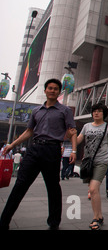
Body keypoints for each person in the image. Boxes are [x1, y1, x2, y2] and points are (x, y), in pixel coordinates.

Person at [0, 78, 77, 230]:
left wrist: (74, 150)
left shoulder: (65, 110)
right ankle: (4, 221)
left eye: (55, 88)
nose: (52, 90)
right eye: (50, 88)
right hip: (34, 150)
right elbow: (29, 131)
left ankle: (54, 223)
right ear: (45, 90)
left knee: (53, 187)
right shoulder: (36, 111)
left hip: (52, 150)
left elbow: (72, 131)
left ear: (59, 91)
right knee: (20, 185)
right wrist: (12, 145)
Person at [77, 103, 108, 230]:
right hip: (88, 162)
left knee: (94, 189)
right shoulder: (86, 126)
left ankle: (96, 218)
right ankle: (100, 216)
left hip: (102, 161)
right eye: (94, 111)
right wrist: (70, 137)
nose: (96, 113)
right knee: (92, 190)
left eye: (99, 111)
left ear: (104, 113)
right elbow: (79, 140)